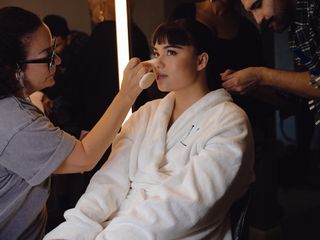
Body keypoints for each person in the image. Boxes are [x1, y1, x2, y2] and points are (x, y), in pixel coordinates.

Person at [44, 19, 255, 240]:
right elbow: (108, 182)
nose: (157, 62)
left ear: (201, 60)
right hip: (120, 226)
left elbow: (188, 204)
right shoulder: (146, 113)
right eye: (156, 52)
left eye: (171, 52)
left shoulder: (229, 122)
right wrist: (77, 227)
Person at [0, 6, 153, 239]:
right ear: (15, 67)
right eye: (48, 55)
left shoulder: (14, 109)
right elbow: (84, 157)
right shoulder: (15, 122)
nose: (58, 60)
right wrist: (127, 94)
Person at [221, 0, 320, 99]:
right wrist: (252, 85)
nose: (258, 20)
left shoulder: (315, 7)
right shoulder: (295, 28)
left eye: (258, 5)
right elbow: (307, 95)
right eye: (251, 12)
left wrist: (262, 76)